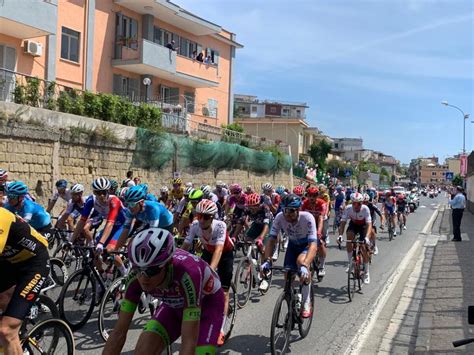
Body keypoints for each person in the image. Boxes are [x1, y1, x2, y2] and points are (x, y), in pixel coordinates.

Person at [103, 227, 224, 355]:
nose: (144, 278)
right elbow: (118, 333)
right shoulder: (134, 278)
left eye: (151, 271)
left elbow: (188, 342)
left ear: (168, 263)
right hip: (173, 305)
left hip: (208, 306)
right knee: (143, 351)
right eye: (138, 269)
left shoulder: (188, 273)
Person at [182, 200, 234, 346]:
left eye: (206, 216)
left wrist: (210, 271)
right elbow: (186, 245)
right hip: (208, 251)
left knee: (224, 292)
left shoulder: (220, 225)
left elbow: (219, 250)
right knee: (198, 284)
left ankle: (220, 331)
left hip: (225, 254)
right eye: (199, 216)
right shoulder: (195, 225)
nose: (202, 219)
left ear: (212, 217)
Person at [0, 208, 50, 355]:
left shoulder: (2, 217)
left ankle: (13, 338)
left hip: (34, 263)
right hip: (8, 262)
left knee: (6, 331)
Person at [262, 194, 317, 317]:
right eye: (285, 211)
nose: (288, 215)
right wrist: (267, 260)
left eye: (291, 211)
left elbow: (313, 244)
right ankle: (291, 300)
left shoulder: (308, 218)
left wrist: (305, 264)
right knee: (287, 275)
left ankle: (306, 301)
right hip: (293, 245)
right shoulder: (279, 217)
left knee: (300, 262)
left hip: (306, 246)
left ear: (298, 210)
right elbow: (271, 240)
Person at [115, 185, 174, 250]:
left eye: (132, 204)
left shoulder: (153, 209)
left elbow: (152, 234)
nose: (129, 207)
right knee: (133, 241)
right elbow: (125, 230)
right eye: (127, 204)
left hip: (166, 224)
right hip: (149, 222)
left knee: (160, 248)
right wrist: (116, 250)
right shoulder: (130, 210)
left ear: (141, 202)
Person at [338, 192, 372, 284]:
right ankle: (350, 263)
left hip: (363, 226)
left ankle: (366, 272)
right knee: (349, 237)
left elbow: (369, 225)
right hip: (354, 224)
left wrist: (367, 238)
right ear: (351, 203)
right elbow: (343, 223)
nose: (356, 206)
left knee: (364, 248)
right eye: (354, 203)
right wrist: (340, 235)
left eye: (359, 204)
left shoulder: (365, 209)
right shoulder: (348, 208)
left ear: (362, 203)